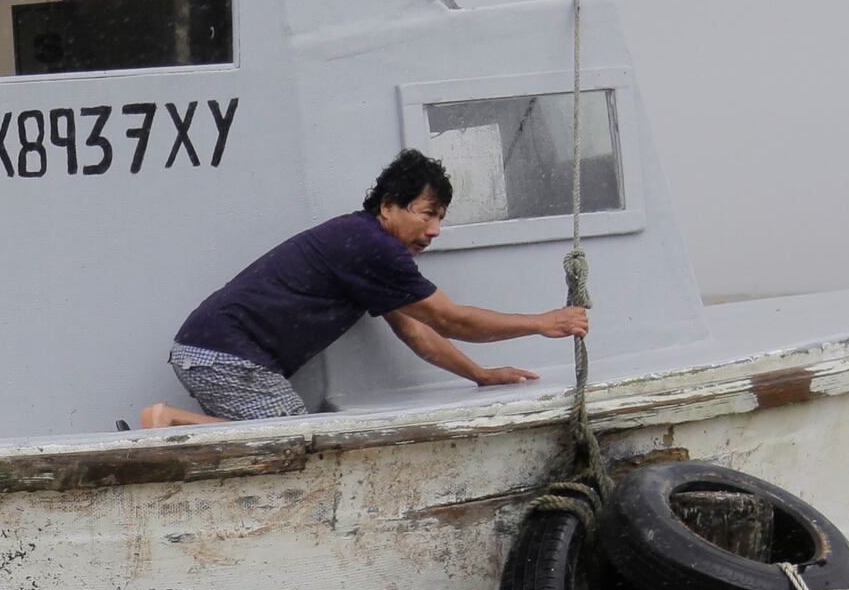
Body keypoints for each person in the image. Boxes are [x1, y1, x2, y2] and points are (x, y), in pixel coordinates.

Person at [141, 151, 590, 425]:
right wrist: (542, 322)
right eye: (425, 214)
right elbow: (450, 319)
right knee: (294, 442)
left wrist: (481, 375)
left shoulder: (364, 245)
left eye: (441, 219)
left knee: (283, 439)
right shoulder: (375, 249)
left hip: (214, 351)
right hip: (225, 357)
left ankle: (177, 424)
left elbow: (416, 331)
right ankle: (172, 421)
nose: (434, 231)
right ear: (389, 206)